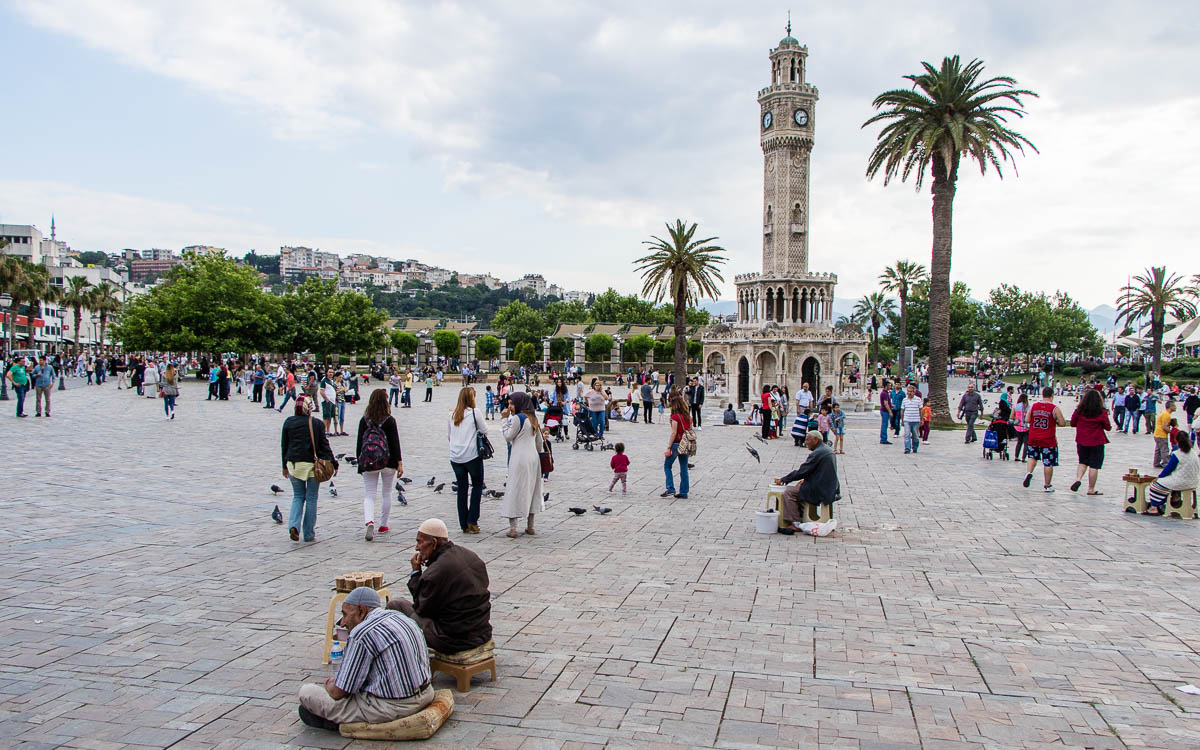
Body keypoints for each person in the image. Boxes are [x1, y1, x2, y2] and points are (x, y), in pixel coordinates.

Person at [298, 587, 433, 732]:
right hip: (426, 694)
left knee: (308, 693)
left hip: (396, 706)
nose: (342, 622)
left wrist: (330, 685)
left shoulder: (361, 633)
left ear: (361, 611)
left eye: (345, 614)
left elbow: (339, 692)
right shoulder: (399, 616)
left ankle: (341, 723)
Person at [386, 519, 493, 654]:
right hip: (481, 631)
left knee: (394, 607)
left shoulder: (436, 572)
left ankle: (397, 656)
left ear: (434, 543)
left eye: (420, 542)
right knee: (401, 605)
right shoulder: (470, 555)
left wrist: (415, 573)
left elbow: (421, 609)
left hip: (453, 640)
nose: (417, 548)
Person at [280, 396, 338, 542]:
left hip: (294, 466)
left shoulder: (289, 422)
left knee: (298, 496)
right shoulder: (316, 423)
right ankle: (308, 533)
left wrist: (284, 466)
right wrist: (334, 463)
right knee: (311, 498)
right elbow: (324, 446)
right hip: (312, 466)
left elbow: (284, 445)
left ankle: (294, 525)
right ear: (309, 408)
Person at [357, 389, 402, 541]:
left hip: (368, 462)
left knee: (369, 494)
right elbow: (395, 444)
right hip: (388, 462)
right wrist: (399, 462)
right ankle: (383, 524)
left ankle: (369, 521)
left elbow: (359, 444)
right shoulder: (390, 420)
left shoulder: (364, 420)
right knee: (387, 492)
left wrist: (360, 462)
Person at [773, 432, 839, 534]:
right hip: (830, 487)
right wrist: (805, 481)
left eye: (808, 440)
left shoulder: (817, 453)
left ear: (815, 440)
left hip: (820, 489)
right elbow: (817, 472)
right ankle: (801, 516)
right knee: (799, 487)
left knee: (789, 492)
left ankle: (795, 523)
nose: (806, 442)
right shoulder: (826, 450)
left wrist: (784, 479)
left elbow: (802, 471)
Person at [500, 392, 545, 538]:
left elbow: (508, 436)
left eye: (512, 403)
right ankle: (530, 526)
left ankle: (513, 528)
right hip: (533, 458)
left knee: (515, 489)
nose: (510, 406)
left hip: (519, 458)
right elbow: (539, 442)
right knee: (532, 489)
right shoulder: (533, 418)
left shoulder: (517, 419)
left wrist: (504, 420)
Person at [448, 387, 488, 534]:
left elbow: (449, 436)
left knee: (462, 488)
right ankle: (472, 520)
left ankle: (463, 523)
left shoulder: (451, 414)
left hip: (455, 456)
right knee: (477, 485)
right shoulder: (475, 413)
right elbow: (484, 430)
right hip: (471, 455)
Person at [1022, 387, 1067, 493]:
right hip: (1048, 440)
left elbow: (1027, 419)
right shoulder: (1054, 408)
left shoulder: (1034, 406)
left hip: (1033, 438)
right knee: (1048, 463)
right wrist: (1055, 421)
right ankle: (1047, 485)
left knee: (1032, 457)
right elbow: (1063, 423)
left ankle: (1029, 473)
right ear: (1052, 395)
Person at [1145, 432, 1199, 515]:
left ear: (1176, 441)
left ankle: (1154, 507)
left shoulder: (1177, 454)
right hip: (1193, 481)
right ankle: (1175, 501)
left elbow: (1168, 469)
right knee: (1167, 485)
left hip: (1181, 481)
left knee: (1155, 485)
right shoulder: (1194, 453)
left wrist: (1159, 477)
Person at [1069, 388, 1111, 495]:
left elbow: (1072, 423)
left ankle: (1078, 479)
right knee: (1094, 465)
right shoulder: (1101, 412)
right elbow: (1108, 427)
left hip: (1082, 440)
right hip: (1096, 441)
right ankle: (1091, 488)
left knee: (1082, 462)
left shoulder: (1079, 411)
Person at [661, 391, 692, 499]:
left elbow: (674, 432)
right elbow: (690, 430)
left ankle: (670, 488)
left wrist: (668, 447)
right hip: (685, 444)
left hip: (676, 444)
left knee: (667, 466)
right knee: (684, 468)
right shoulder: (688, 417)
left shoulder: (675, 417)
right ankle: (684, 491)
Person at [900, 384, 923, 454]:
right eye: (908, 391)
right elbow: (902, 410)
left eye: (911, 391)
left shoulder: (918, 399)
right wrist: (902, 420)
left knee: (915, 436)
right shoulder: (904, 400)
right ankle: (907, 448)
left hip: (916, 420)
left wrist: (921, 419)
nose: (909, 393)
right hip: (907, 420)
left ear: (914, 392)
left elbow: (921, 410)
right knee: (907, 435)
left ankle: (915, 447)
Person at [1154, 400, 1175, 469]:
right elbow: (1164, 426)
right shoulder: (1167, 415)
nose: (1176, 407)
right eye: (1174, 406)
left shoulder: (1164, 413)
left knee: (1158, 450)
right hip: (1161, 435)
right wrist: (1172, 432)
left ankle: (1156, 462)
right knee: (1164, 450)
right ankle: (1166, 463)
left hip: (1157, 434)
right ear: (1171, 407)